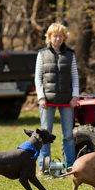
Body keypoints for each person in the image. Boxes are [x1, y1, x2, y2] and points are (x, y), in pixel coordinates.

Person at [35, 22, 80, 170]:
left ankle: (70, 165)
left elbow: (75, 77)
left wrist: (75, 96)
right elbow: (38, 77)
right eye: (55, 36)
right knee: (45, 134)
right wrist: (41, 97)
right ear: (50, 37)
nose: (58, 39)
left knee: (68, 135)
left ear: (64, 37)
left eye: (60, 36)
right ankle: (44, 165)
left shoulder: (70, 54)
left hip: (67, 100)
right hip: (47, 101)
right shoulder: (42, 54)